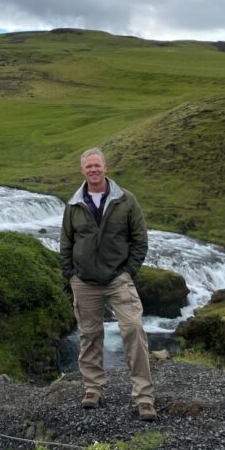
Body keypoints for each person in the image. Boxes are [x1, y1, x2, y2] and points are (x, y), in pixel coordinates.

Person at [59, 147, 157, 421]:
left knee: (134, 329)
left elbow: (140, 240)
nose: (93, 170)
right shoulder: (74, 204)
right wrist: (72, 275)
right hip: (84, 282)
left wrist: (128, 271)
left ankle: (144, 397)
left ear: (105, 167)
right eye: (88, 166)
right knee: (89, 336)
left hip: (117, 279)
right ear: (82, 170)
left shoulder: (126, 200)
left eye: (97, 165)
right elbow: (66, 243)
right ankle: (93, 389)